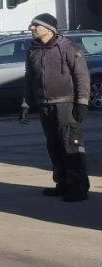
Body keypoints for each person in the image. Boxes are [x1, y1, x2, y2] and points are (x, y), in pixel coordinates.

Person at [19, 13, 90, 202]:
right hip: (45, 106)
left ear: (49, 29)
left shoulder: (68, 47)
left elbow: (82, 76)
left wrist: (82, 103)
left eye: (35, 25)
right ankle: (62, 184)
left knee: (71, 146)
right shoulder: (32, 50)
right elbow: (29, 78)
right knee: (54, 146)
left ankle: (78, 188)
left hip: (66, 105)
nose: (31, 28)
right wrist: (26, 104)